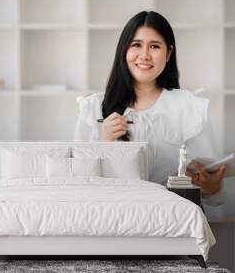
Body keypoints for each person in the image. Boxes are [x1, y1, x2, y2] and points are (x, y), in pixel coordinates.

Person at [74, 11, 225, 205]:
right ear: (123, 50)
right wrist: (105, 142)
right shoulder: (92, 108)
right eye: (136, 45)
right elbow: (79, 184)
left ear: (169, 53)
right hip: (114, 218)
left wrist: (211, 187)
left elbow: (212, 187)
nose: (144, 55)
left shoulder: (190, 108)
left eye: (154, 46)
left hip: (174, 221)